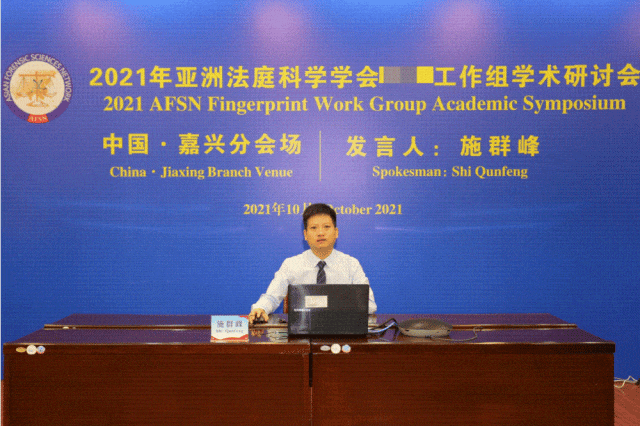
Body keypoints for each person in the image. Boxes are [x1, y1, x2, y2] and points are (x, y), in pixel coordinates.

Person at [249, 203, 376, 323]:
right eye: (314, 228)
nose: (320, 233)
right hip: (301, 330)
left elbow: (370, 305)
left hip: (341, 329)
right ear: (305, 234)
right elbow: (271, 297)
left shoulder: (351, 264)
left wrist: (335, 305)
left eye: (326, 227)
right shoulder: (291, 265)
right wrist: (261, 308)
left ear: (336, 232)